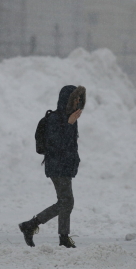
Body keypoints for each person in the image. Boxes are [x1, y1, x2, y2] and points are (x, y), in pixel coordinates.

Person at [19, 85, 85, 248]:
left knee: (65, 202)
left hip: (64, 166)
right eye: (75, 98)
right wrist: (69, 125)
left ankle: (32, 226)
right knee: (66, 201)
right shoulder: (55, 119)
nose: (78, 101)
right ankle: (55, 235)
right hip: (57, 166)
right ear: (67, 100)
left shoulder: (70, 117)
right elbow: (56, 145)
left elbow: (70, 145)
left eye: (79, 98)